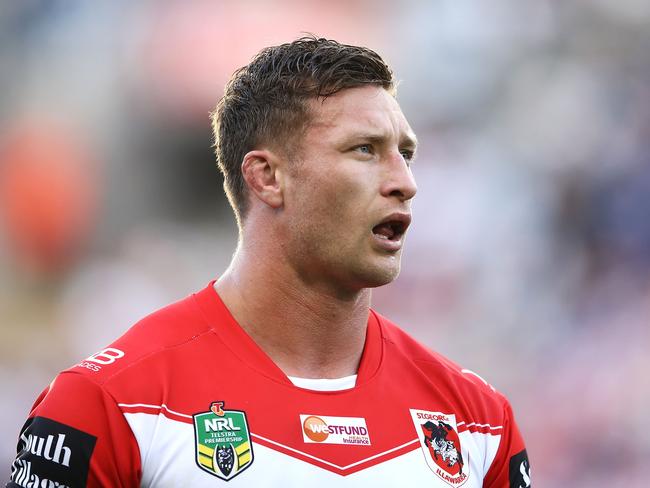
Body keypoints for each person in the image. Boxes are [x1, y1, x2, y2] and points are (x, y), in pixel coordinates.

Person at [7, 37, 531, 487]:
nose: (405, 182)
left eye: (406, 154)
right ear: (267, 178)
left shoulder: (476, 423)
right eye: (366, 150)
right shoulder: (109, 405)